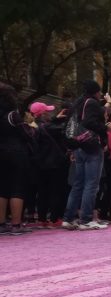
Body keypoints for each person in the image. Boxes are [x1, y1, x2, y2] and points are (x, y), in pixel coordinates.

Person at [62, 79, 111, 231]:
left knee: (78, 183)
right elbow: (90, 123)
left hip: (78, 146)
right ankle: (86, 219)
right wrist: (106, 128)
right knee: (91, 184)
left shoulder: (77, 103)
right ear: (96, 92)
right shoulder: (92, 103)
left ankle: (69, 218)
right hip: (91, 145)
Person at [0, 83, 35, 235]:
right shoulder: (12, 114)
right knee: (17, 188)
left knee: (2, 189)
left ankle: (1, 223)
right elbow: (26, 135)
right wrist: (30, 127)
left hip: (1, 153)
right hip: (16, 153)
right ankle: (16, 224)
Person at [31, 101, 69, 229]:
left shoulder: (31, 127)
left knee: (42, 191)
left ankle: (42, 218)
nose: (50, 113)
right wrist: (57, 120)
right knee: (55, 190)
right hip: (54, 163)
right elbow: (63, 131)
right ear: (42, 114)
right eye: (47, 111)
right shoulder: (49, 127)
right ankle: (54, 218)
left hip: (39, 163)